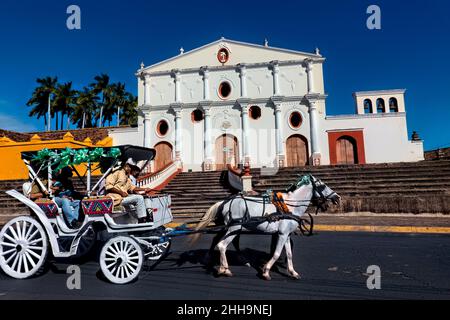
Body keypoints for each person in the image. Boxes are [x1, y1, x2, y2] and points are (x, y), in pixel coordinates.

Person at [105, 158, 153, 223]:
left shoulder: (127, 177)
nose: (131, 170)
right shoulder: (116, 172)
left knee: (145, 197)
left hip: (123, 198)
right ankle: (142, 220)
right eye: (131, 168)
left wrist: (144, 189)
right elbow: (109, 186)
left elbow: (132, 187)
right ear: (126, 166)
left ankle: (149, 217)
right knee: (139, 198)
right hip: (116, 199)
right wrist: (121, 193)